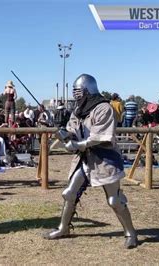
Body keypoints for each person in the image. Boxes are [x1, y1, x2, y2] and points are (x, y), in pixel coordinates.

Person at [43, 74, 137, 249]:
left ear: (88, 90)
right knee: (69, 193)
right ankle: (63, 228)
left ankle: (130, 233)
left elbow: (100, 137)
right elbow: (72, 129)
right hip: (85, 158)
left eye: (78, 91)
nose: (76, 95)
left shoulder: (104, 108)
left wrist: (78, 144)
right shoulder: (78, 110)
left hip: (105, 159)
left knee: (114, 200)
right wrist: (65, 134)